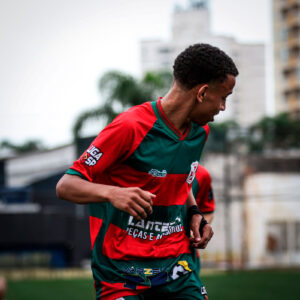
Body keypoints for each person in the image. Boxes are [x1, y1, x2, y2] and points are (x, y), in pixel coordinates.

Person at [56, 43, 238, 300]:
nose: (222, 107)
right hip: (120, 273)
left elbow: (180, 183)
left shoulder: (200, 132)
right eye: (224, 97)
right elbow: (65, 185)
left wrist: (195, 212)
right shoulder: (130, 126)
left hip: (176, 268)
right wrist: (113, 194)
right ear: (202, 92)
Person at [192, 165, 216, 275]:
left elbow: (208, 211)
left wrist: (195, 231)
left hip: (185, 254)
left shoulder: (201, 174)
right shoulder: (139, 166)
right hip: (140, 254)